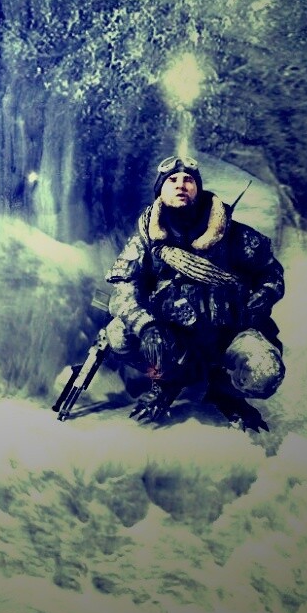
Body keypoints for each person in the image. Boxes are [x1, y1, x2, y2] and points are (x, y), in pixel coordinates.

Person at [103, 155, 285, 426]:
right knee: (118, 335)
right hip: (172, 336)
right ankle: (165, 382)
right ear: (160, 191)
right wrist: (147, 326)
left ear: (198, 188)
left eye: (188, 180)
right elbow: (123, 290)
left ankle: (224, 391)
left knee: (266, 373)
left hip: (229, 333)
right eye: (172, 180)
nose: (181, 185)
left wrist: (266, 294)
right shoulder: (146, 240)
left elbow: (271, 271)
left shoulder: (233, 235)